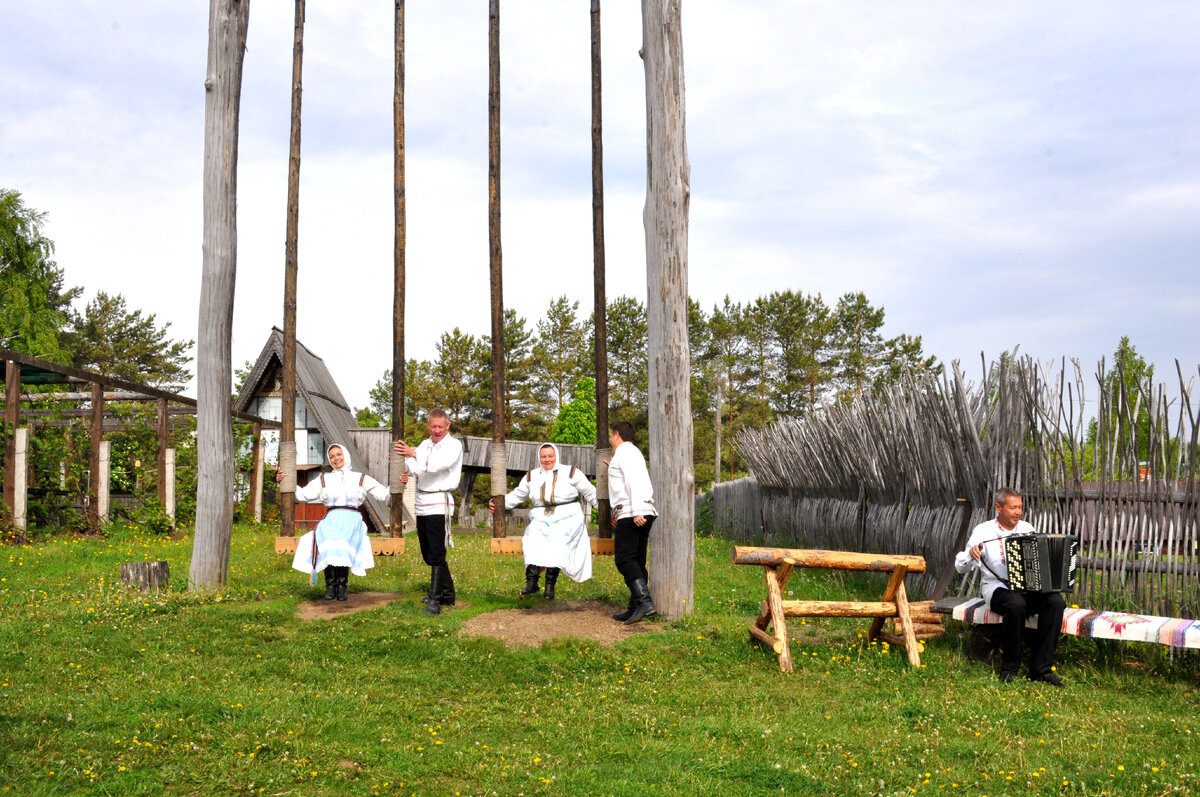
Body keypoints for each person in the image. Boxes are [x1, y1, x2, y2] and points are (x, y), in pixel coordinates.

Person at [955, 487, 1065, 686]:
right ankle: (1010, 668)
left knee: (1056, 601)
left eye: (1020, 507)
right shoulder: (983, 530)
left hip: (1026, 588)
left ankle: (1041, 669)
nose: (1018, 512)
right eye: (1013, 507)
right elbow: (960, 567)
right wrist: (970, 555)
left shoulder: (1027, 528)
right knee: (1016, 604)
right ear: (998, 507)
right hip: (996, 588)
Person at [279, 442, 387, 601]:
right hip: (331, 518)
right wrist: (284, 480)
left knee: (342, 539)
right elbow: (302, 495)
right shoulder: (324, 479)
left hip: (351, 518)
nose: (336, 459)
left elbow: (383, 493)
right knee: (327, 538)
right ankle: (331, 586)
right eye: (332, 456)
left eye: (339, 454)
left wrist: (399, 484)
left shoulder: (360, 478)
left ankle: (342, 586)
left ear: (345, 455)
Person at [489, 443, 597, 599]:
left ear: (556, 456)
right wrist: (497, 504)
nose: (547, 460)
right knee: (532, 535)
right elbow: (517, 496)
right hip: (542, 516)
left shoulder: (571, 472)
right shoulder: (532, 476)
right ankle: (531, 582)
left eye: (550, 456)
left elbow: (590, 493)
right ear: (539, 457)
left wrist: (608, 511)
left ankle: (550, 585)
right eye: (544, 456)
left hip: (569, 515)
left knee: (558, 537)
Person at [394, 410, 463, 615]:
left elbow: (436, 466)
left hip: (438, 501)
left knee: (436, 552)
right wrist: (403, 464)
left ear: (447, 426)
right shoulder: (425, 445)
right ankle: (447, 593)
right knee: (427, 552)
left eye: (440, 426)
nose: (437, 430)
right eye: (433, 426)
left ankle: (435, 600)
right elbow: (417, 468)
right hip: (422, 501)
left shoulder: (454, 446)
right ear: (428, 426)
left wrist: (412, 453)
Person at [605, 421, 658, 624]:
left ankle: (644, 602)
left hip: (635, 512)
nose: (610, 439)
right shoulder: (628, 454)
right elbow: (624, 481)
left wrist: (635, 511)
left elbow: (634, 481)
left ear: (616, 434)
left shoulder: (626, 452)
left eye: (611, 435)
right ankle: (635, 607)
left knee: (624, 559)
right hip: (636, 511)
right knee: (636, 560)